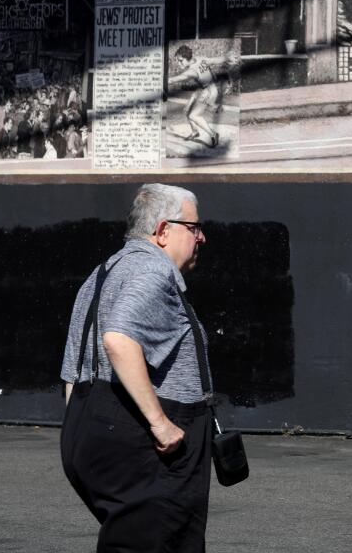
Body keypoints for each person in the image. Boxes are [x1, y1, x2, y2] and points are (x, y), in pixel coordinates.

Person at [60, 184, 214, 552]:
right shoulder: (151, 271)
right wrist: (161, 425)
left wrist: (86, 426)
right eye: (193, 228)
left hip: (89, 426)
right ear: (163, 231)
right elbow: (118, 340)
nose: (202, 237)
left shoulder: (102, 273)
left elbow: (74, 368)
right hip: (150, 444)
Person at [168, 44, 226, 148]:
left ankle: (213, 134)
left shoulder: (192, 71)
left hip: (209, 91)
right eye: (178, 60)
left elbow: (173, 80)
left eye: (180, 60)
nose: (178, 63)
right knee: (188, 110)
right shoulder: (199, 59)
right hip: (205, 89)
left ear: (187, 58)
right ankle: (195, 132)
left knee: (193, 115)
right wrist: (227, 57)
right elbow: (214, 60)